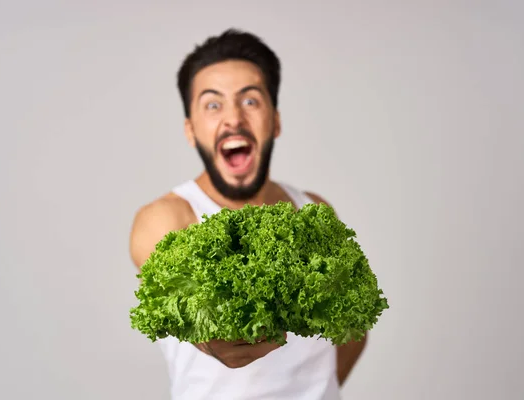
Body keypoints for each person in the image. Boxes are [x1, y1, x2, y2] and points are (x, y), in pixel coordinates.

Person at [129, 28, 367, 400]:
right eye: (212, 104)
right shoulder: (168, 219)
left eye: (251, 101)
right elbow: (187, 310)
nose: (234, 119)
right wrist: (210, 336)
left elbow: (354, 328)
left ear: (275, 120)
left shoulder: (314, 211)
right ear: (191, 130)